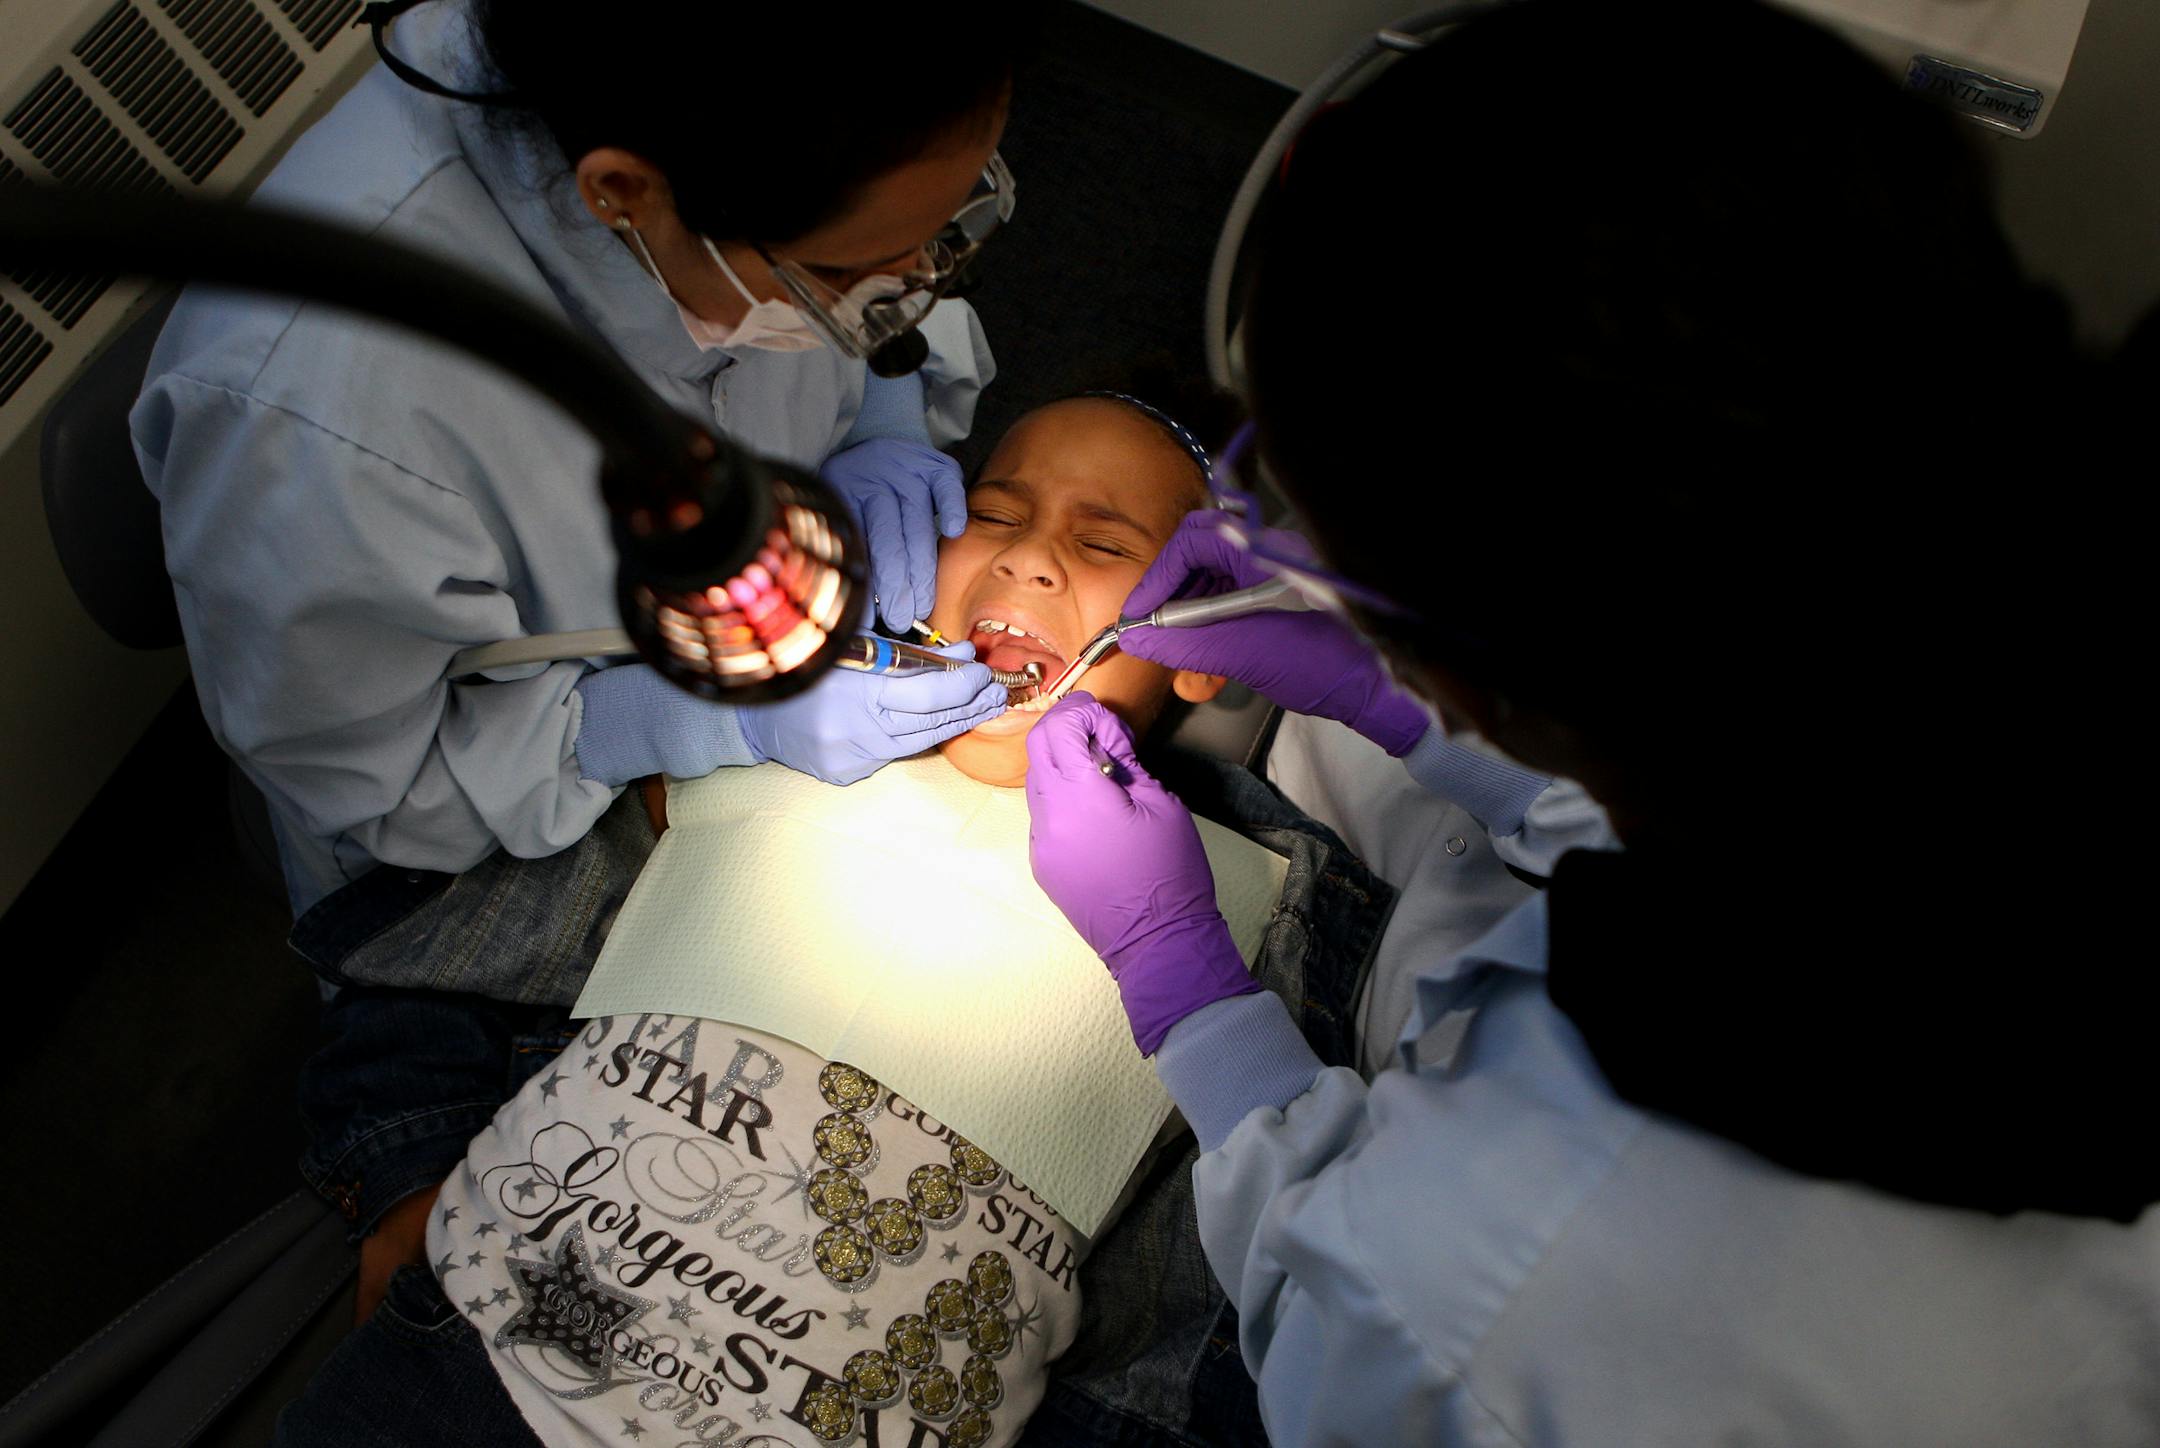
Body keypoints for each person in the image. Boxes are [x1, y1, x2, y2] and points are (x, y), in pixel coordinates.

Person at [1018, 2, 2158, 1442]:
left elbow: (1341, 1321)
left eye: (1324, 538)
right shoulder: (1960, 582)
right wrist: (1390, 696)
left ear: (1484, 672)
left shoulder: (1484, 1298)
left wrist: (1187, 989)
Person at [274, 388, 1398, 1447]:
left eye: (1104, 546)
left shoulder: (1247, 911)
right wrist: (406, 1179)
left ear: (1206, 650)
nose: (1023, 554)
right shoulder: (781, 738)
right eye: (992, 512)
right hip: (475, 1363)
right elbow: (447, 948)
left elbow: (1190, 1324)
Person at [130, 0, 1035, 1314]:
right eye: (862, 277)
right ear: (624, 192)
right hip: (465, 825)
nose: (912, 286)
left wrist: (885, 396)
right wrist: (695, 723)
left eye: (944, 236)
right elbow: (387, 787)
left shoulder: (749, 139)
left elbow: (870, 267)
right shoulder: (323, 415)